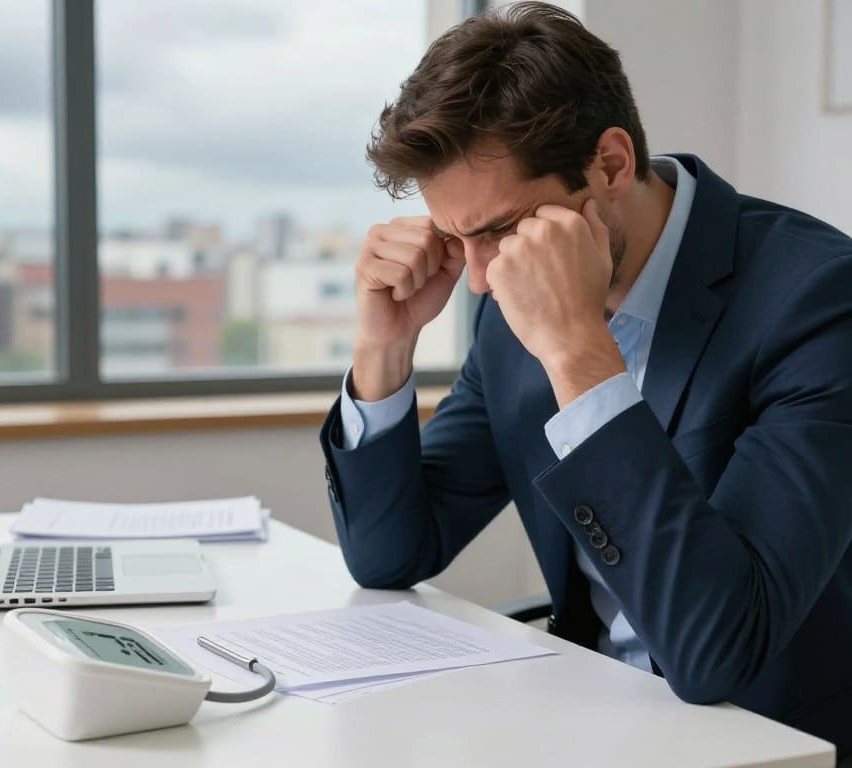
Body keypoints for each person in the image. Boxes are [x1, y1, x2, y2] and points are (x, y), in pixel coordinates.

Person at [318, 1, 852, 756]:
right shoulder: (508, 302)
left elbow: (717, 653)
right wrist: (384, 348)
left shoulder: (819, 301)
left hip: (771, 740)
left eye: (499, 229)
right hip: (591, 716)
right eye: (452, 238)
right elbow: (391, 554)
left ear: (609, 165)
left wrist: (578, 353)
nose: (478, 280)